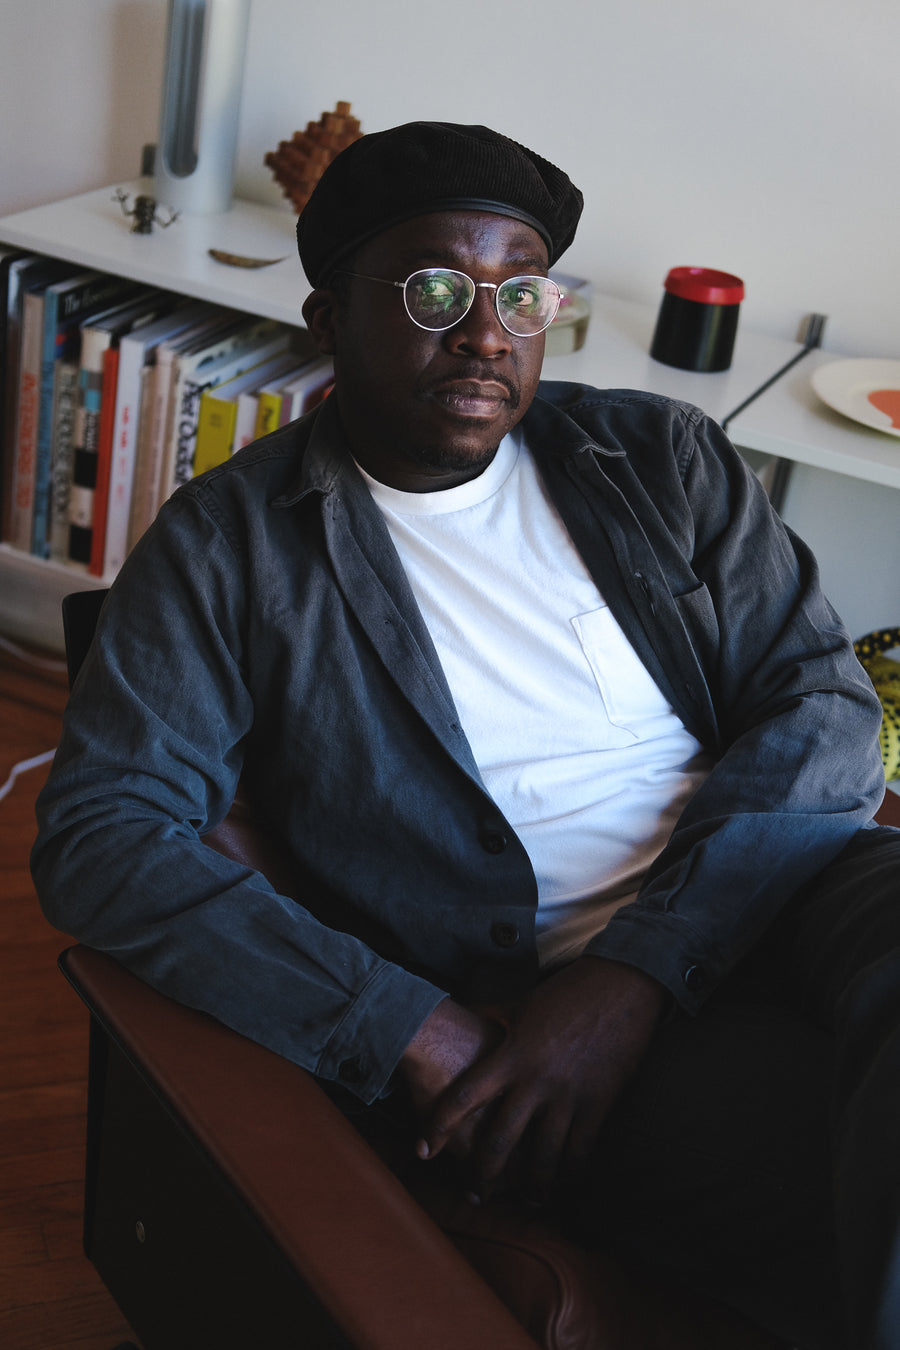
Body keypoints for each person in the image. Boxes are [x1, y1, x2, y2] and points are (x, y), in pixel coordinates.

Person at [32, 122, 899, 1350]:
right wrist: (405, 1026)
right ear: (330, 316)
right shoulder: (230, 545)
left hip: (782, 888)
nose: (488, 331)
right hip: (534, 1003)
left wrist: (639, 969)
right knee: (816, 1168)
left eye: (523, 292)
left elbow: (821, 705)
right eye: (437, 288)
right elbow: (104, 835)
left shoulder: (661, 459)